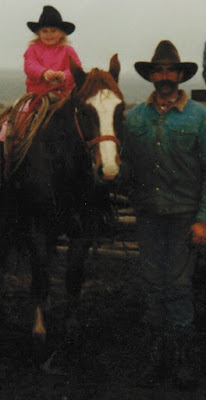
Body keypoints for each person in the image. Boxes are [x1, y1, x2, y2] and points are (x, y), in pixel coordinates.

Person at [122, 40, 206, 382]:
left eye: (172, 70)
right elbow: (126, 164)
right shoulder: (134, 117)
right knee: (153, 283)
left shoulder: (200, 116)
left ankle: (182, 355)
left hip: (184, 214)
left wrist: (203, 219)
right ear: (151, 75)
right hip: (149, 214)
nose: (165, 76)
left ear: (182, 75)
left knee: (179, 284)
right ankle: (157, 354)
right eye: (159, 70)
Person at [0, 5, 82, 141]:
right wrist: (43, 73)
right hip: (37, 96)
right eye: (45, 31)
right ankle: (10, 143)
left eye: (53, 31)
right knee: (19, 114)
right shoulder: (32, 49)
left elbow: (76, 69)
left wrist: (65, 75)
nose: (49, 35)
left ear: (61, 33)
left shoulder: (68, 50)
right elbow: (30, 66)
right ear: (38, 33)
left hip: (64, 96)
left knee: (84, 117)